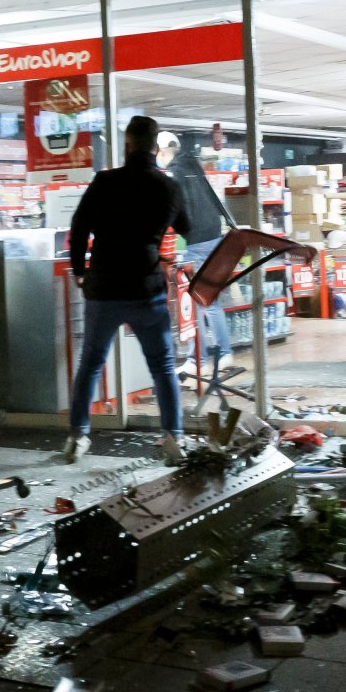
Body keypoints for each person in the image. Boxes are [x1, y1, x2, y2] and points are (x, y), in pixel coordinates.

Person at [64, 115, 190, 466]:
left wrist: (79, 271)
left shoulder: (104, 182)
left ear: (127, 145)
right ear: (156, 148)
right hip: (145, 289)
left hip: (103, 288)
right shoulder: (168, 187)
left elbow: (79, 226)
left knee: (90, 364)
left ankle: (77, 437)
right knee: (163, 367)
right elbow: (187, 226)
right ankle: (172, 439)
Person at [158, 129, 237, 384]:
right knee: (208, 301)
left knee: (193, 304)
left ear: (162, 151)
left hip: (196, 243)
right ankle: (216, 355)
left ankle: (201, 359)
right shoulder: (194, 165)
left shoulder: (175, 173)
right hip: (215, 237)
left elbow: (176, 209)